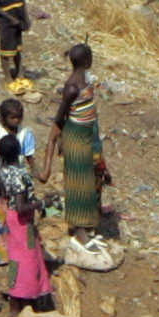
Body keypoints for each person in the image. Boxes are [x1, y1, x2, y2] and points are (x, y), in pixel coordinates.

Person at [48, 44, 103, 241]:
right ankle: (78, 229)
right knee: (78, 182)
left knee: (88, 180)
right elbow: (60, 116)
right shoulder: (72, 87)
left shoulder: (85, 80)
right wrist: (58, 137)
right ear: (87, 61)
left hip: (86, 134)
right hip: (76, 135)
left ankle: (85, 223)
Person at [0, 134, 53, 309]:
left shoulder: (3, 171)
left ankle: (16, 299)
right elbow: (22, 207)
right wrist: (43, 203)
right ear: (19, 152)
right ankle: (26, 297)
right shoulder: (20, 175)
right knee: (28, 259)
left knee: (16, 258)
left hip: (11, 218)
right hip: (22, 221)